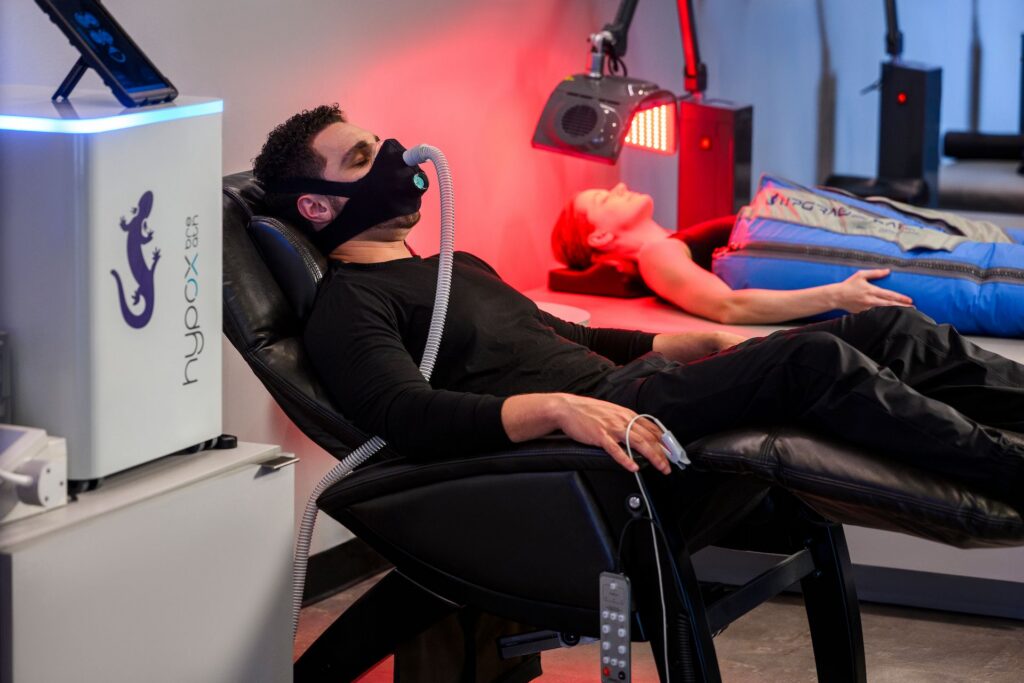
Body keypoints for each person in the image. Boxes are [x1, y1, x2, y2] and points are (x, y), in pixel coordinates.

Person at [252, 105, 1024, 510]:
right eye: (362, 159)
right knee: (816, 357)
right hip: (609, 426)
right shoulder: (346, 307)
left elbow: (555, 332)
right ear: (318, 207)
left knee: (880, 325)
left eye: (382, 143)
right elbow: (406, 412)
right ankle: (1010, 470)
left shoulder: (457, 265)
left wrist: (669, 339)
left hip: (633, 385)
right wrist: (556, 408)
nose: (394, 159)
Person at [551, 183, 914, 324]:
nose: (619, 186)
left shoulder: (671, 241)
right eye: (603, 198)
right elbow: (729, 307)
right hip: (859, 279)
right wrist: (837, 295)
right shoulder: (655, 256)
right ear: (599, 236)